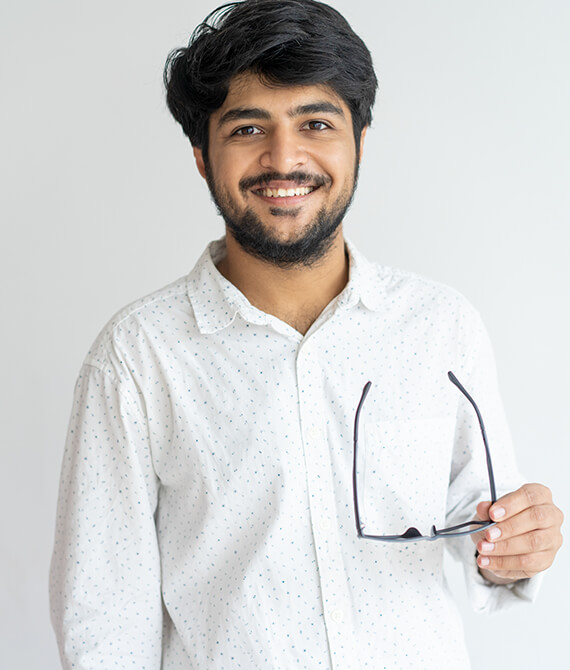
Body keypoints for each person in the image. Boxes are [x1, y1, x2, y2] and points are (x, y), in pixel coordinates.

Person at [49, 1, 563, 668]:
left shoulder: (441, 326)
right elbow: (104, 620)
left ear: (359, 141)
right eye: (247, 128)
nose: (284, 157)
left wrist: (515, 546)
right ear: (202, 156)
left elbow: (482, 521)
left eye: (316, 123)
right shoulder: (137, 358)